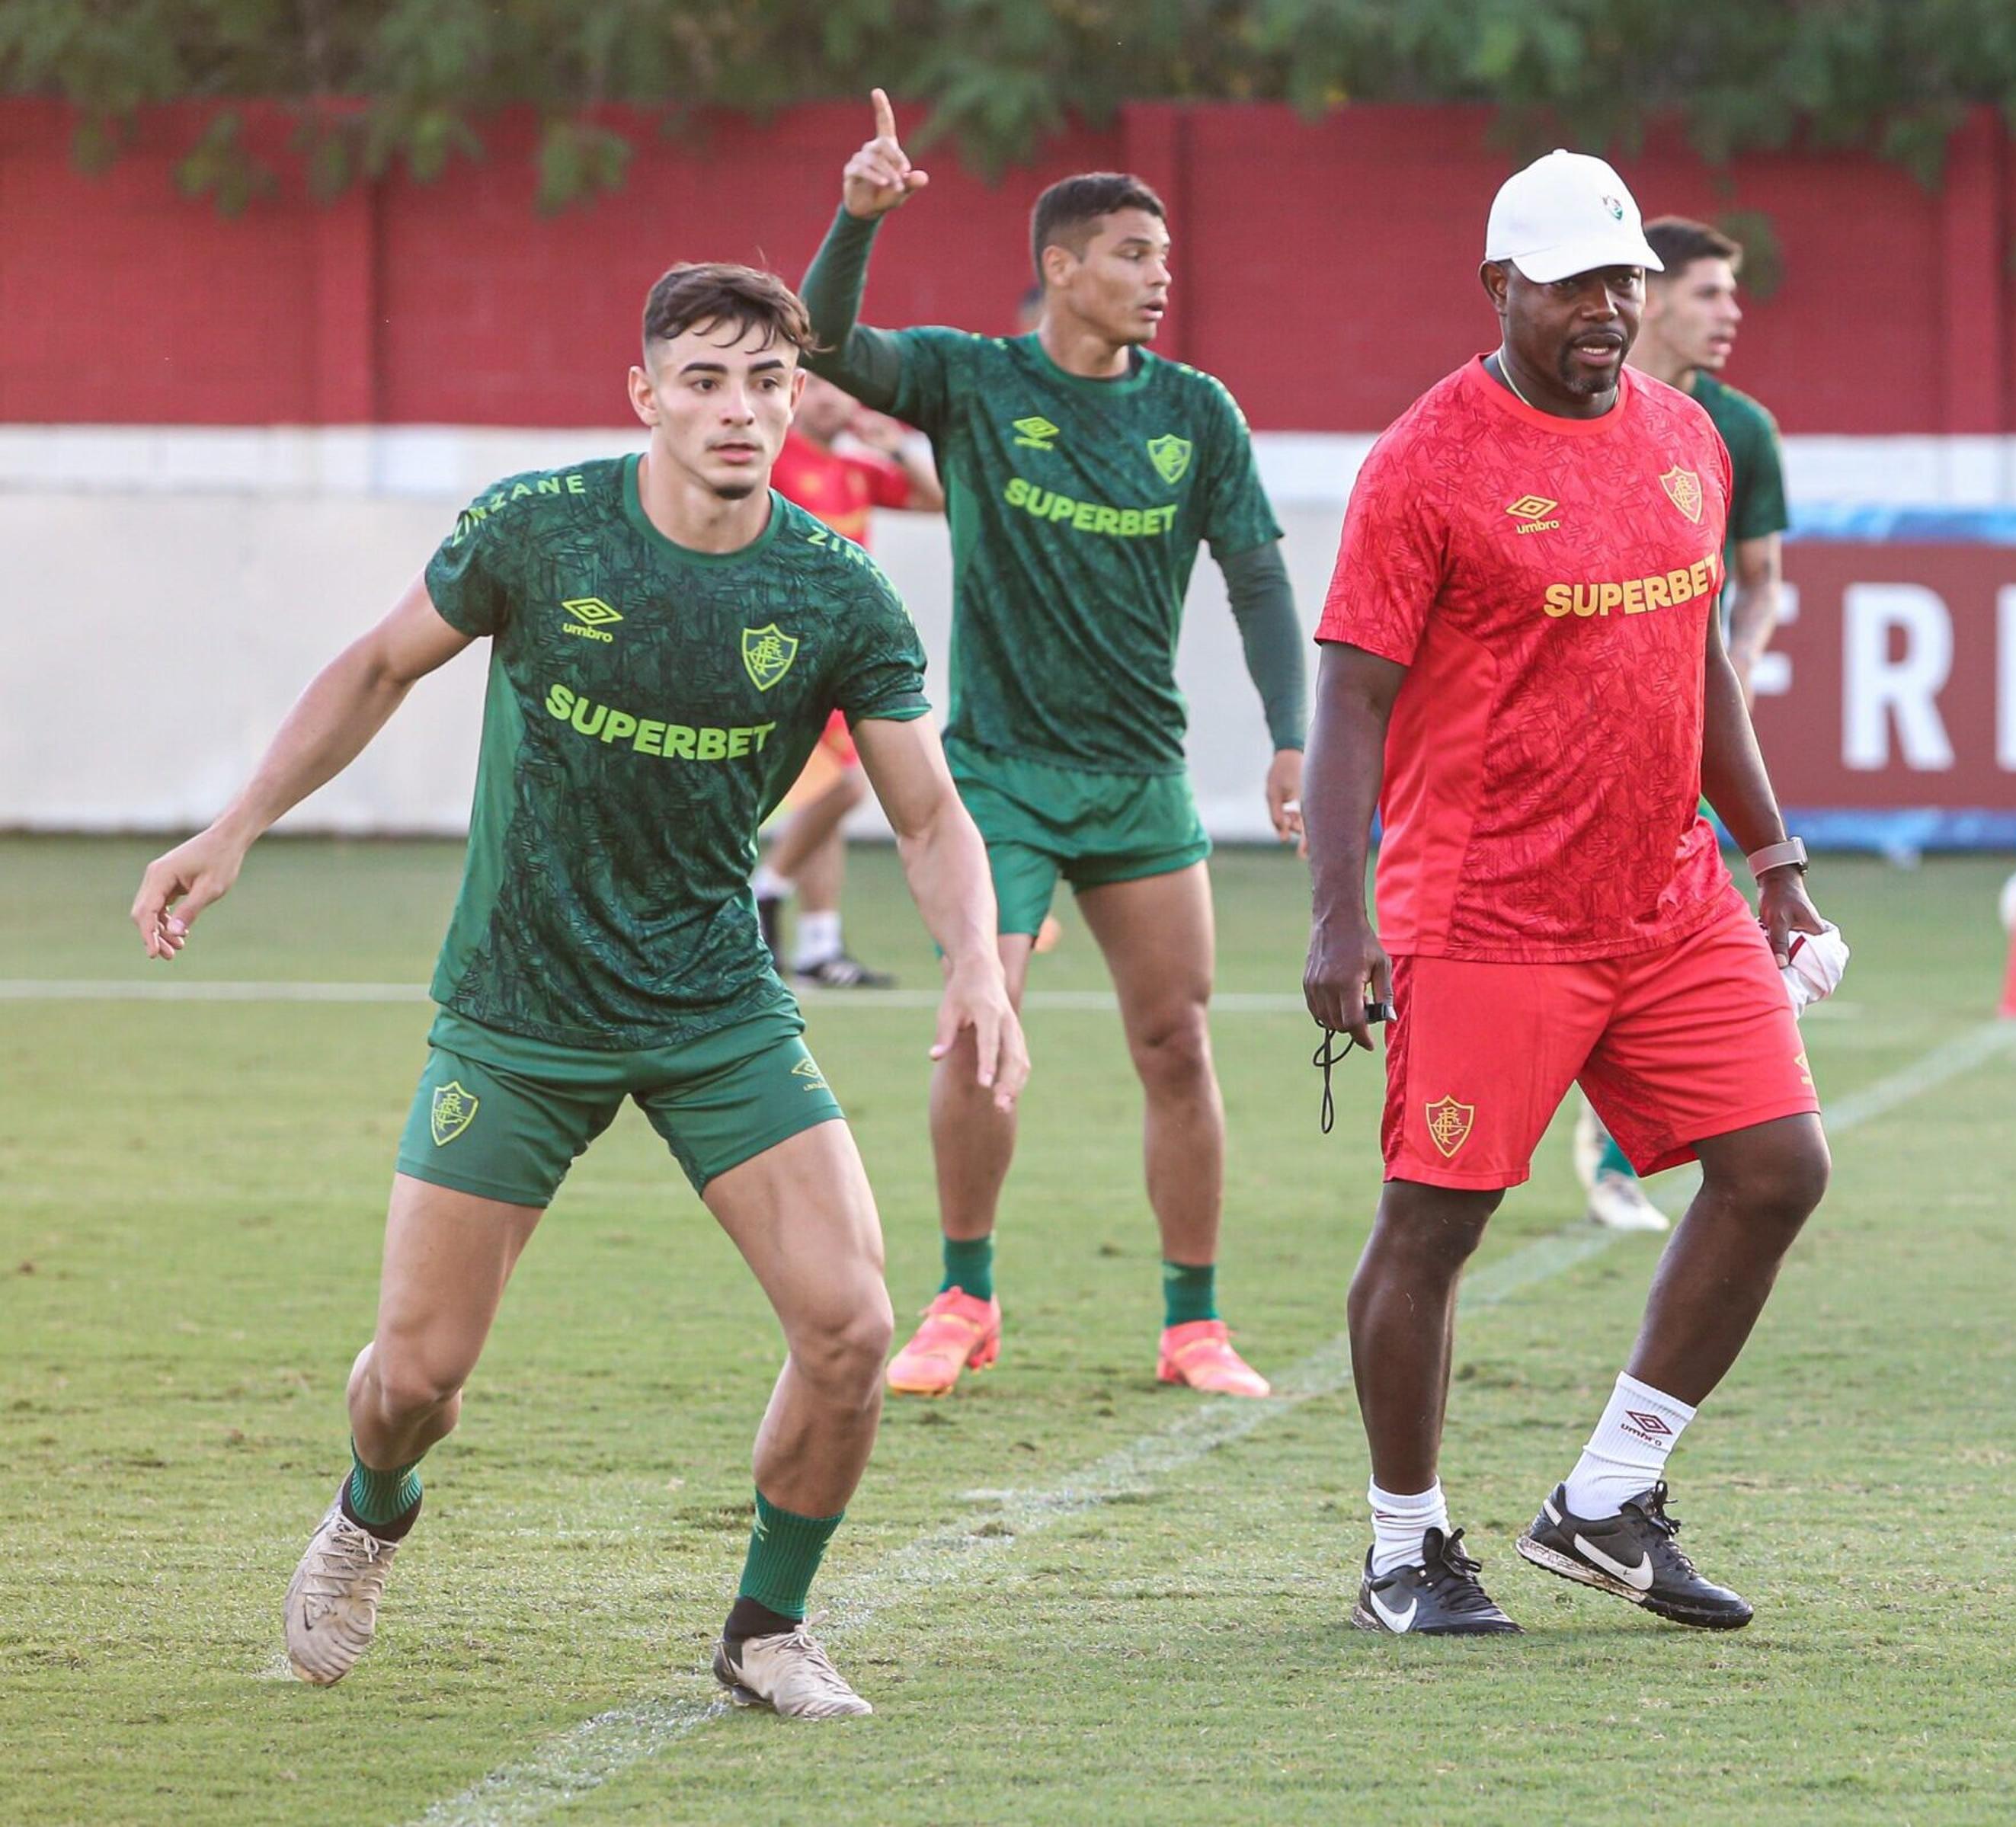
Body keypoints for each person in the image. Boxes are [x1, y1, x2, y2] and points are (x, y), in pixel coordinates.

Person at [129, 264, 1029, 1717]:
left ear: (798, 396)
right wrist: (234, 827)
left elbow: (926, 813)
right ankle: (371, 1506)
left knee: (853, 1324)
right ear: (646, 394)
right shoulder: (538, 529)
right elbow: (375, 668)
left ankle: (765, 1627)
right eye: (706, 380)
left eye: (767, 382)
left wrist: (978, 956)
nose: (739, 410)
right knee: (416, 1376)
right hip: (519, 1002)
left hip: (713, 1002)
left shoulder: (836, 587)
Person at [1304, 151, 1832, 1635]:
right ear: (1499, 289)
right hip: (1488, 910)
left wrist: (1774, 855)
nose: (1608, 310)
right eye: (1575, 285)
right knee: (1435, 1226)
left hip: (1670, 894)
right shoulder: (1424, 462)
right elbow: (1349, 702)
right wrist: (1340, 917)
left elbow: (1702, 654)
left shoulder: (1688, 437)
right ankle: (1404, 1547)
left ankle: (1606, 1498)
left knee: (1780, 1167)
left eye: (1625, 283)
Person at [799, 93, 1309, 1399]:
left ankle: (1194, 1321)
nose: (1159, 280)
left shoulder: (1197, 412)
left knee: (1177, 1042)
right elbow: (832, 343)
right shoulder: (975, 381)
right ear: (1062, 268)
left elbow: (1257, 579)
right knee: (981, 1024)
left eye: (1167, 260)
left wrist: (1294, 739)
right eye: (1135, 256)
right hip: (1003, 778)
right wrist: (857, 219)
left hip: (1140, 780)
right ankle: (964, 1295)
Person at [1567, 214, 1797, 1234]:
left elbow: (1760, 584)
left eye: (1734, 295)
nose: (1730, 313)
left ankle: (1622, 1155)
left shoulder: (1739, 428)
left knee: (1679, 924)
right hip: (1576, 727)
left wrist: (1732, 676)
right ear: (1650, 296)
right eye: (1709, 292)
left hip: (1686, 720)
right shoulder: (1572, 404)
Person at [754, 373, 946, 987]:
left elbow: (938, 498)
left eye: (847, 391)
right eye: (821, 390)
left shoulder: (859, 470)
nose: (836, 402)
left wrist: (895, 446)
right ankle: (763, 891)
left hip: (843, 648)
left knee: (824, 803)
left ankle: (818, 947)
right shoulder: (777, 462)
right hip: (785, 653)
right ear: (794, 395)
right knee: (842, 791)